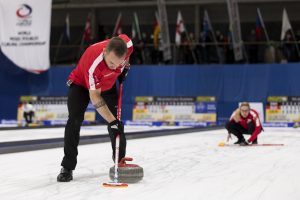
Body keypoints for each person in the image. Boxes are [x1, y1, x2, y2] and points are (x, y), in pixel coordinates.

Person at [57, 34, 133, 182]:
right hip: (82, 85)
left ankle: (119, 161)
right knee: (74, 120)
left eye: (118, 63)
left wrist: (124, 67)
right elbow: (95, 97)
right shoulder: (94, 63)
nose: (115, 67)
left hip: (107, 84)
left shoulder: (127, 45)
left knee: (117, 125)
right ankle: (67, 166)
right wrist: (111, 121)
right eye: (111, 63)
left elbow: (126, 58)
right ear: (104, 52)